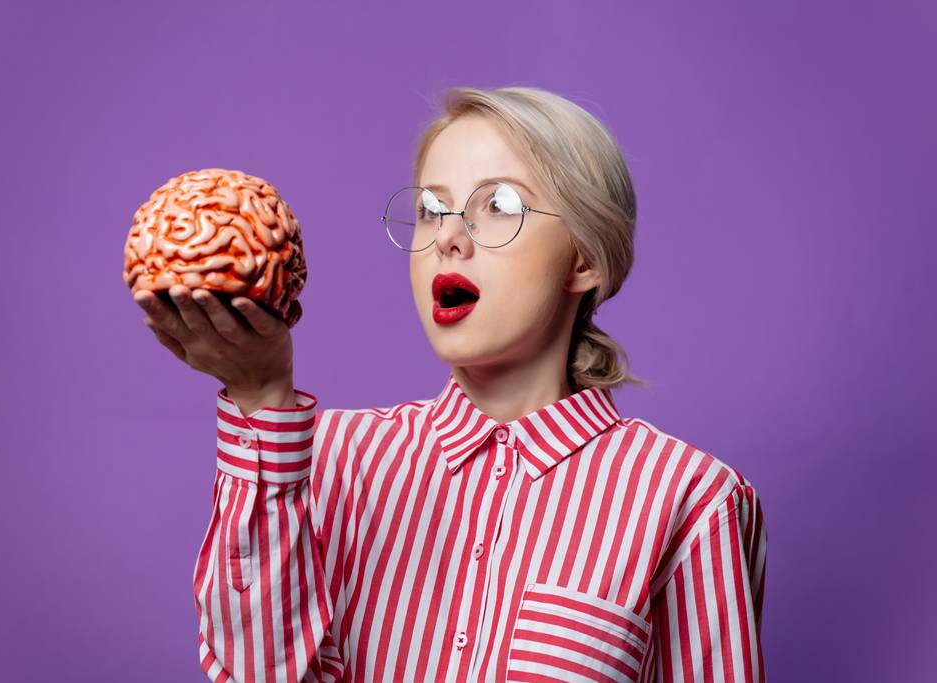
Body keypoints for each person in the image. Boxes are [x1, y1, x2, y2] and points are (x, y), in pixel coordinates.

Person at [134, 86, 767, 683]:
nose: (448, 238)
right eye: (431, 209)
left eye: (501, 206)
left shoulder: (690, 499)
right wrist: (262, 399)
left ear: (585, 259)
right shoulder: (323, 459)